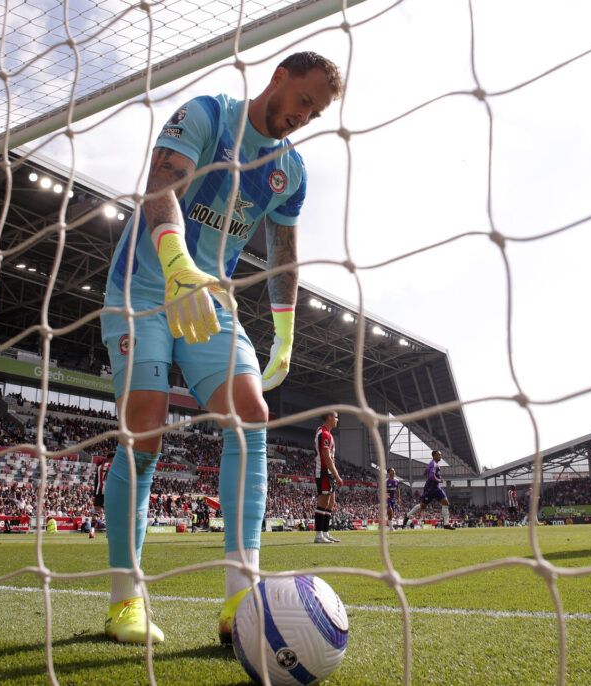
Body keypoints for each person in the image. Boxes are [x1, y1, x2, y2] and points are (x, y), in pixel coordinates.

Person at [97, 52, 342, 645]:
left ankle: (241, 595)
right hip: (146, 289)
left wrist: (285, 328)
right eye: (304, 101)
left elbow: (284, 250)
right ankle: (125, 599)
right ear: (278, 78)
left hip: (212, 303)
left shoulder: (292, 170)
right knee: (146, 429)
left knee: (251, 415)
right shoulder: (207, 114)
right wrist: (176, 260)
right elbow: (160, 184)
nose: (305, 117)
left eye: (317, 112)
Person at [402, 451, 455, 529]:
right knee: (422, 506)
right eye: (438, 455)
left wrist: (435, 477)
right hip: (430, 489)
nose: (440, 456)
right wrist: (439, 480)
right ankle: (407, 515)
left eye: (440, 455)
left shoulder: (433, 464)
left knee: (445, 502)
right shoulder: (433, 464)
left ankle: (446, 524)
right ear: (434, 456)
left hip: (436, 488)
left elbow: (425, 473)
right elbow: (431, 476)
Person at [313, 411, 344, 544]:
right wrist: (337, 475)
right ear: (329, 418)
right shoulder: (323, 433)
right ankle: (319, 534)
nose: (337, 420)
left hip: (329, 473)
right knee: (323, 502)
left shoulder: (328, 434)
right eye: (336, 417)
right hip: (324, 472)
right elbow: (326, 457)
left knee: (331, 502)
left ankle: (325, 532)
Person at [91, 453, 113, 539]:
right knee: (110, 513)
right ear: (112, 458)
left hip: (99, 491)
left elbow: (96, 481)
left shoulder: (99, 467)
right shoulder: (113, 466)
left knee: (96, 512)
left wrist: (95, 495)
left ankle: (92, 530)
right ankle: (108, 533)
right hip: (110, 492)